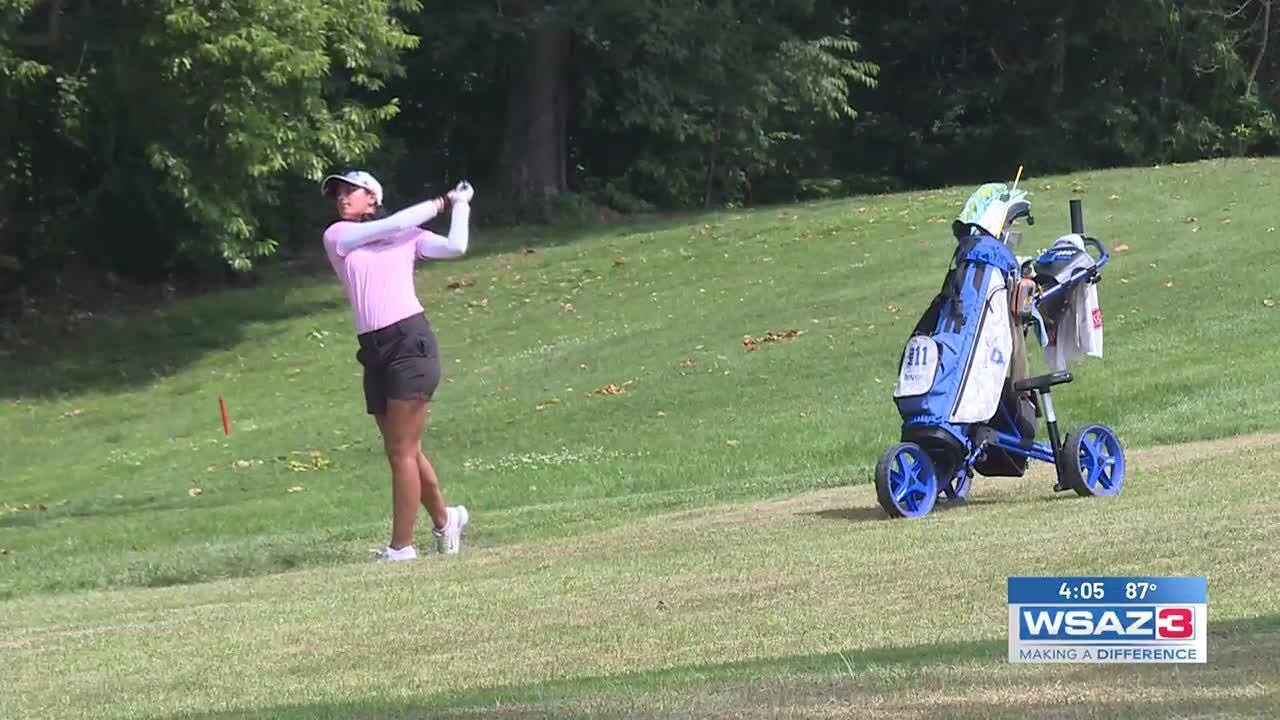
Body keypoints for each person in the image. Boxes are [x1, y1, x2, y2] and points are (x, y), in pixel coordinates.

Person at [319, 169, 474, 561]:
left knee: (402, 452)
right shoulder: (339, 236)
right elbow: (396, 221)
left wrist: (461, 207)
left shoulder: (409, 237)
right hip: (373, 349)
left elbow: (456, 247)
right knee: (403, 448)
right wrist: (442, 201)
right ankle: (446, 520)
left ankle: (402, 548)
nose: (342, 197)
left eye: (352, 191)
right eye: (339, 192)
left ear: (372, 196)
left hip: (410, 342)